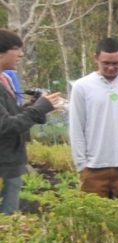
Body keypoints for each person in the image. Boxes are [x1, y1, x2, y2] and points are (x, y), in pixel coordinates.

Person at [68, 38, 118, 198]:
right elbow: (76, 126)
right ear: (96, 58)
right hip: (93, 168)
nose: (111, 68)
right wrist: (82, 165)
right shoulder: (82, 87)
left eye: (116, 64)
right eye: (106, 63)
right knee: (93, 220)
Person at [0, 29, 62, 214]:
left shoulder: (5, 79)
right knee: (6, 223)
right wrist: (39, 109)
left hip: (10, 163)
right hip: (3, 166)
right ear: (2, 51)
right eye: (17, 48)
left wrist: (34, 105)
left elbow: (11, 117)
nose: (21, 54)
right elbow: (5, 126)